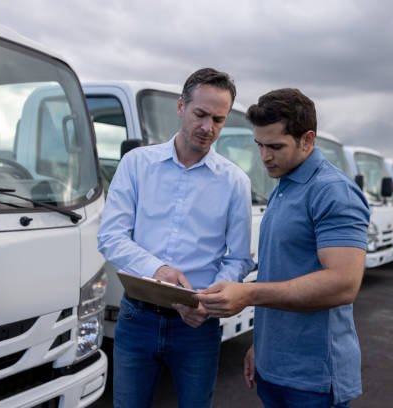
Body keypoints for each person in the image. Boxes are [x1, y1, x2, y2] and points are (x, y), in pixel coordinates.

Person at [196, 88, 370, 407]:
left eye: (275, 146)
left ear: (307, 140)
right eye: (259, 145)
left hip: (314, 378)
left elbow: (344, 284)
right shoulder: (285, 184)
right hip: (275, 366)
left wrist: (248, 294)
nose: (264, 157)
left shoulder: (332, 192)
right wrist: (260, 346)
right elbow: (283, 270)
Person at [97, 68, 254, 408]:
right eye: (200, 114)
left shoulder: (235, 182)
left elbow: (238, 257)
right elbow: (110, 235)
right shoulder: (136, 164)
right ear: (181, 106)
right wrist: (158, 270)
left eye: (218, 119)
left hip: (198, 327)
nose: (208, 128)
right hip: (137, 319)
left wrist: (207, 302)